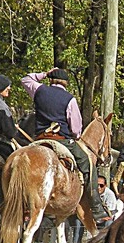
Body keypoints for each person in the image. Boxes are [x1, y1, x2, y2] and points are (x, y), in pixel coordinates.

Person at [20, 68, 97, 205]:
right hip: (62, 140)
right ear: (66, 83)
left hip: (40, 138)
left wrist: (43, 74)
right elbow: (76, 128)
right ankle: (95, 202)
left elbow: (25, 79)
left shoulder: (39, 90)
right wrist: (76, 136)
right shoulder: (69, 99)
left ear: (51, 80)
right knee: (87, 162)